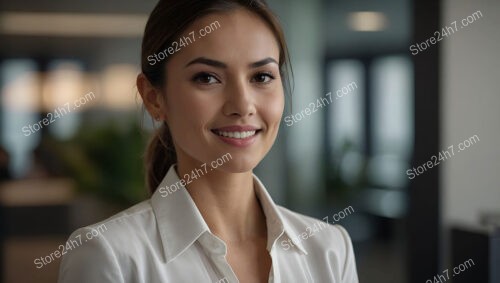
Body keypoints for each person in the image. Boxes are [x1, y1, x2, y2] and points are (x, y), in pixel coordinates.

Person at [58, 0, 359, 282]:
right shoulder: (109, 255)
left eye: (262, 77)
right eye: (207, 78)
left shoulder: (329, 248)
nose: (242, 105)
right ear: (154, 98)